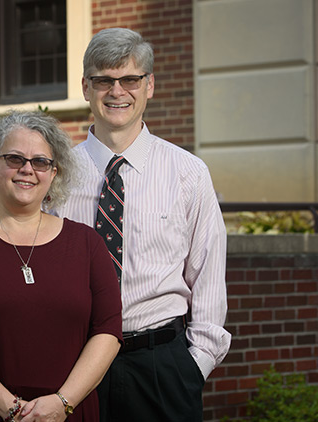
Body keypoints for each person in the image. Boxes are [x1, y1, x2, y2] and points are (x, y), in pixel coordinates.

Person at [53, 27, 231, 422]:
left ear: (149, 85)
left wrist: (192, 367)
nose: (117, 92)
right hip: (71, 365)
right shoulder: (55, 174)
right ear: (86, 87)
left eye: (130, 79)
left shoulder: (188, 173)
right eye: (104, 80)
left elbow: (207, 275)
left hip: (160, 367)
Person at [0, 110, 122, 422]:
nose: (27, 170)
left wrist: (62, 403)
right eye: (15, 158)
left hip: (68, 413)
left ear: (55, 172)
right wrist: (12, 409)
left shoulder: (87, 244)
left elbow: (108, 331)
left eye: (41, 161)